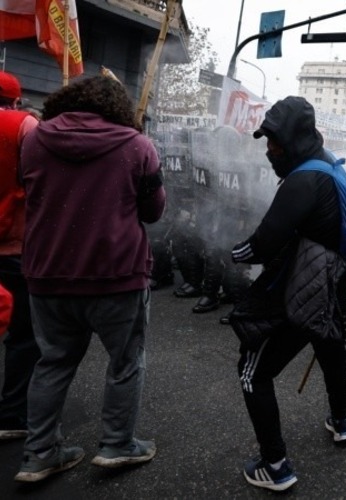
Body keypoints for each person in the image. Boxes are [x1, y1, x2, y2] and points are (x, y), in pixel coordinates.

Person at [15, 75, 165, 482]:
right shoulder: (138, 147)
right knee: (125, 362)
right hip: (117, 276)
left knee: (52, 362)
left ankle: (39, 453)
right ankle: (118, 445)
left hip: (48, 274)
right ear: (117, 107)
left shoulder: (33, 141)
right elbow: (153, 211)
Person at [231, 96, 346, 492]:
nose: (270, 151)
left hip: (299, 291)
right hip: (330, 285)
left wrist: (229, 252)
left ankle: (275, 466)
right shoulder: (330, 167)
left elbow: (264, 243)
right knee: (329, 347)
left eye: (274, 142)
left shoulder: (305, 179)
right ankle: (341, 423)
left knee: (253, 371)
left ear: (293, 139)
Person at [0, 71, 40, 441]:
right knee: (22, 335)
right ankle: (12, 416)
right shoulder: (24, 125)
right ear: (15, 99)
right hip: (13, 246)